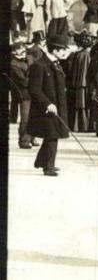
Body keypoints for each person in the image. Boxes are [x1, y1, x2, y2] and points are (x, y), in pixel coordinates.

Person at [28, 34, 72, 176]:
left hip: (58, 105)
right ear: (55, 50)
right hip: (46, 109)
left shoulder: (56, 63)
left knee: (52, 135)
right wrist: (47, 104)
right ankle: (48, 167)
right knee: (52, 135)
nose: (65, 52)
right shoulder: (39, 65)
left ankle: (41, 161)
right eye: (62, 49)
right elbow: (34, 89)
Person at [10, 41, 33, 148]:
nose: (23, 51)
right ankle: (24, 140)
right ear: (14, 52)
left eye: (23, 48)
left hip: (34, 92)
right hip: (24, 94)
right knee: (26, 117)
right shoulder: (14, 64)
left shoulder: (30, 58)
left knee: (36, 116)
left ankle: (32, 137)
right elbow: (24, 81)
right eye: (19, 49)